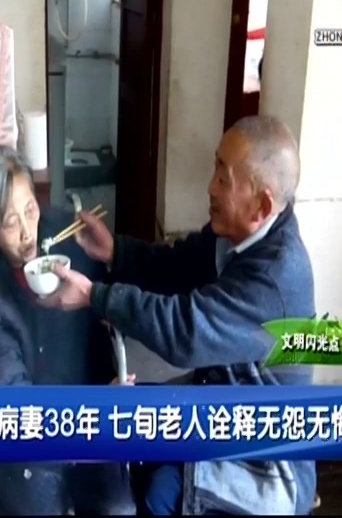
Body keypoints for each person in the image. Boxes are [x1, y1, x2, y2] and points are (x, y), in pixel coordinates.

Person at [39, 116, 317, 515]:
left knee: (161, 491)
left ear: (262, 205)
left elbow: (186, 331)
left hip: (266, 456)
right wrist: (116, 251)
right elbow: (178, 265)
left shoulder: (276, 277)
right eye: (215, 167)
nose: (210, 187)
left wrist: (94, 296)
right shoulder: (237, 235)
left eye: (224, 178)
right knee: (119, 415)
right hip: (218, 405)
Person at [0, 144, 135, 515]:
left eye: (30, 209)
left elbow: (112, 291)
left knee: (118, 508)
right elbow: (17, 408)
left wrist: (106, 297)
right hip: (33, 440)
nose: (28, 232)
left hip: (91, 406)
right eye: (10, 222)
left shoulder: (63, 234)